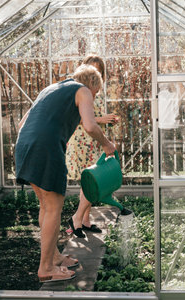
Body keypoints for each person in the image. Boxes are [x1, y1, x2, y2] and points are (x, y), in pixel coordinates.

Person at [15, 64, 116, 283]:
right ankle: (46, 268)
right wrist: (107, 145)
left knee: (45, 205)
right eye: (96, 92)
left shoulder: (51, 89)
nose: (94, 96)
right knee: (53, 207)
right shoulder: (83, 90)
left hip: (25, 146)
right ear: (92, 84)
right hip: (46, 148)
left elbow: (22, 123)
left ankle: (54, 257)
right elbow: (89, 126)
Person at [66, 55, 120, 238]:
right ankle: (77, 218)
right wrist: (100, 120)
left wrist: (106, 121)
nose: (94, 73)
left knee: (90, 181)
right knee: (91, 181)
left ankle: (84, 220)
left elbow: (91, 116)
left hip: (92, 139)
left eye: (98, 70)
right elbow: (78, 118)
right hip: (82, 140)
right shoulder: (77, 89)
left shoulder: (92, 89)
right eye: (91, 69)